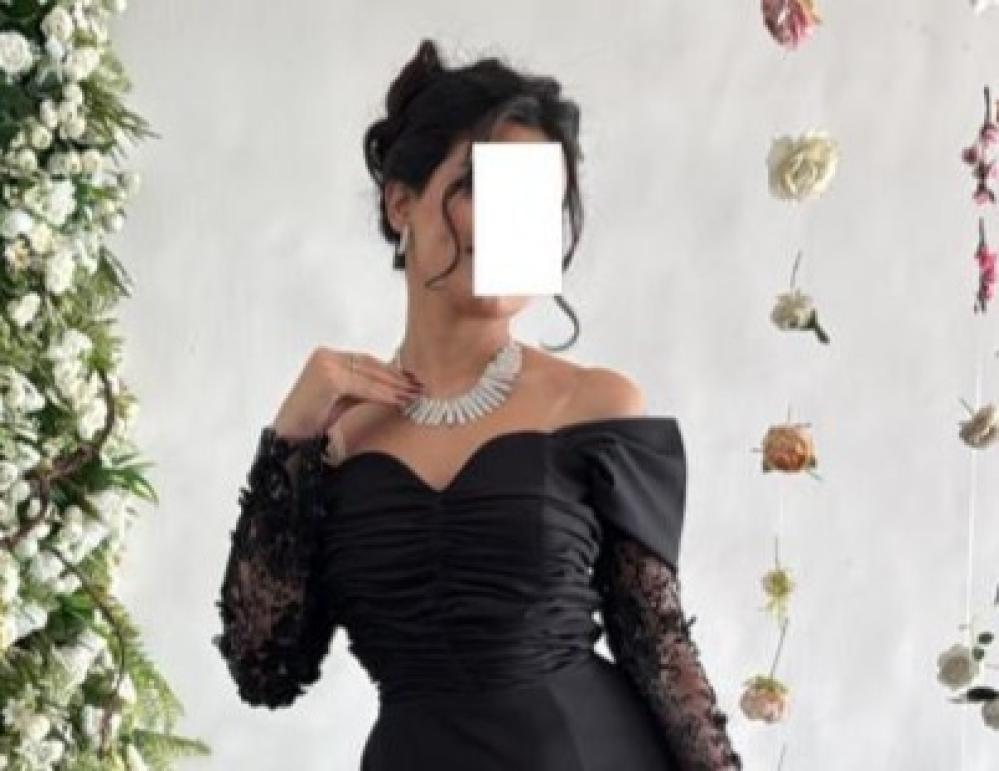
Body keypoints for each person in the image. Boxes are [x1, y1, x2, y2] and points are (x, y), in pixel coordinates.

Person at [212, 38, 743, 771]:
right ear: (401, 202)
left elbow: (658, 648)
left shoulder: (593, 404)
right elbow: (261, 666)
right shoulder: (333, 440)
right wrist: (292, 435)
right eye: (479, 190)